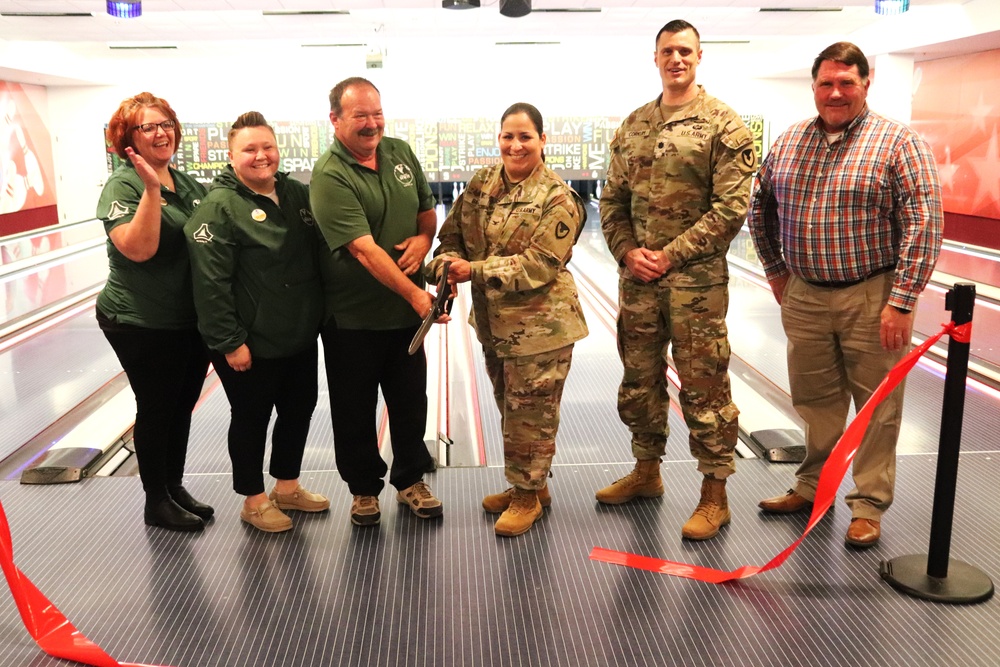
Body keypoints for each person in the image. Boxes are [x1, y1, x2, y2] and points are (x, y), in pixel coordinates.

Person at [748, 42, 943, 548]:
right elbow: (759, 209)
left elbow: (924, 224)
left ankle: (868, 505)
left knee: (878, 406)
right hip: (806, 293)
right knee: (816, 401)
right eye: (826, 83)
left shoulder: (898, 142)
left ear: (864, 84)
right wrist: (775, 272)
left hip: (872, 295)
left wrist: (901, 300)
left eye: (846, 83)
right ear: (813, 87)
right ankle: (812, 486)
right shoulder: (790, 142)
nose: (835, 92)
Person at [596, 20, 757, 541]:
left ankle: (715, 495)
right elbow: (612, 201)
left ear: (700, 56)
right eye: (668, 51)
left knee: (705, 385)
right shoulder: (635, 124)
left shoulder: (723, 125)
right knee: (639, 379)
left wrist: (668, 255)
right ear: (656, 57)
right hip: (638, 281)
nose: (677, 59)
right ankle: (647, 472)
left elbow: (730, 208)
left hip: (696, 285)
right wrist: (626, 252)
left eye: (685, 51)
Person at [427, 102, 588, 537]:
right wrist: (445, 263)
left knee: (530, 412)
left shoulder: (558, 198)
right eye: (507, 136)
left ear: (542, 140)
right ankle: (532, 485)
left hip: (542, 326)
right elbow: (453, 235)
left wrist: (473, 270)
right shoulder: (482, 183)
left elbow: (539, 265)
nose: (515, 145)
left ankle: (524, 495)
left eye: (525, 137)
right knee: (510, 407)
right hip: (496, 325)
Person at [185, 111, 327, 533]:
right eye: (250, 149)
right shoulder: (218, 208)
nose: (261, 156)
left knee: (299, 409)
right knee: (251, 416)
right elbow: (210, 283)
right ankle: (253, 499)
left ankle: (286, 486)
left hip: (297, 332)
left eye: (268, 147)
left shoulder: (296, 194)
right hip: (248, 339)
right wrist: (230, 341)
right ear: (231, 158)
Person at [310, 77, 443, 527]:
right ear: (335, 120)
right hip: (352, 318)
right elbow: (363, 249)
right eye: (360, 116)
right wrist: (416, 295)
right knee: (354, 409)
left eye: (377, 113)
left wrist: (425, 240)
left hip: (404, 317)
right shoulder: (330, 175)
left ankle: (410, 481)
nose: (372, 124)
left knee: (410, 403)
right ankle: (364, 490)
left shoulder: (400, 152)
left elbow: (428, 210)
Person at [96, 92, 212, 532]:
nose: (161, 132)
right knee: (158, 405)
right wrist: (149, 189)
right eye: (148, 126)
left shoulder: (189, 184)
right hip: (139, 320)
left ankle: (174, 487)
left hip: (186, 320)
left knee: (181, 404)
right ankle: (155, 500)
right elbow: (139, 249)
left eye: (166, 124)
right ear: (128, 138)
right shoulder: (124, 185)